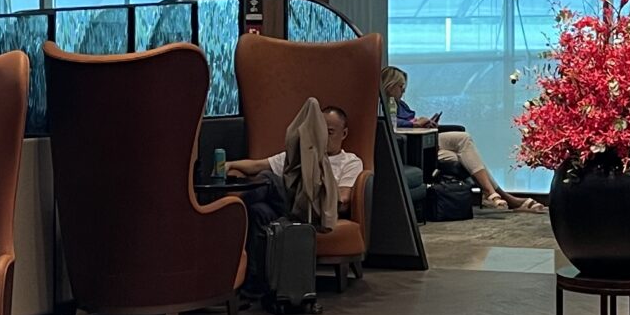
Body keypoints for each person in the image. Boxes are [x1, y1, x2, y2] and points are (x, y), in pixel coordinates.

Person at [380, 66, 535, 210]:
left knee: (465, 156)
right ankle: (498, 195)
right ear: (390, 85)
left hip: (425, 142)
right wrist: (412, 124)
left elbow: (407, 120)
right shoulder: (379, 104)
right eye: (400, 87)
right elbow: (388, 122)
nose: (403, 91)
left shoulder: (401, 105)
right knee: (464, 141)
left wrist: (423, 123)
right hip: (410, 147)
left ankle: (493, 194)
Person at [228, 103, 363, 217]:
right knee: (259, 210)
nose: (323, 137)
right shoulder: (303, 153)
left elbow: (343, 200)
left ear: (344, 134)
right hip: (290, 204)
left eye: (330, 132)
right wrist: (230, 164)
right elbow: (258, 165)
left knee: (268, 179)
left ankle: (228, 211)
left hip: (315, 209)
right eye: (320, 131)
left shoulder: (350, 161)